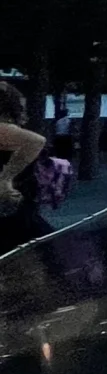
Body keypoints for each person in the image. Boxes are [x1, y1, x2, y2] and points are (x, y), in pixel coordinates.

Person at [0, 84, 56, 252]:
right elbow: (35, 141)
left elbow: (35, 141)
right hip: (15, 209)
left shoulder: (5, 129)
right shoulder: (7, 128)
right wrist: (6, 178)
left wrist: (5, 178)